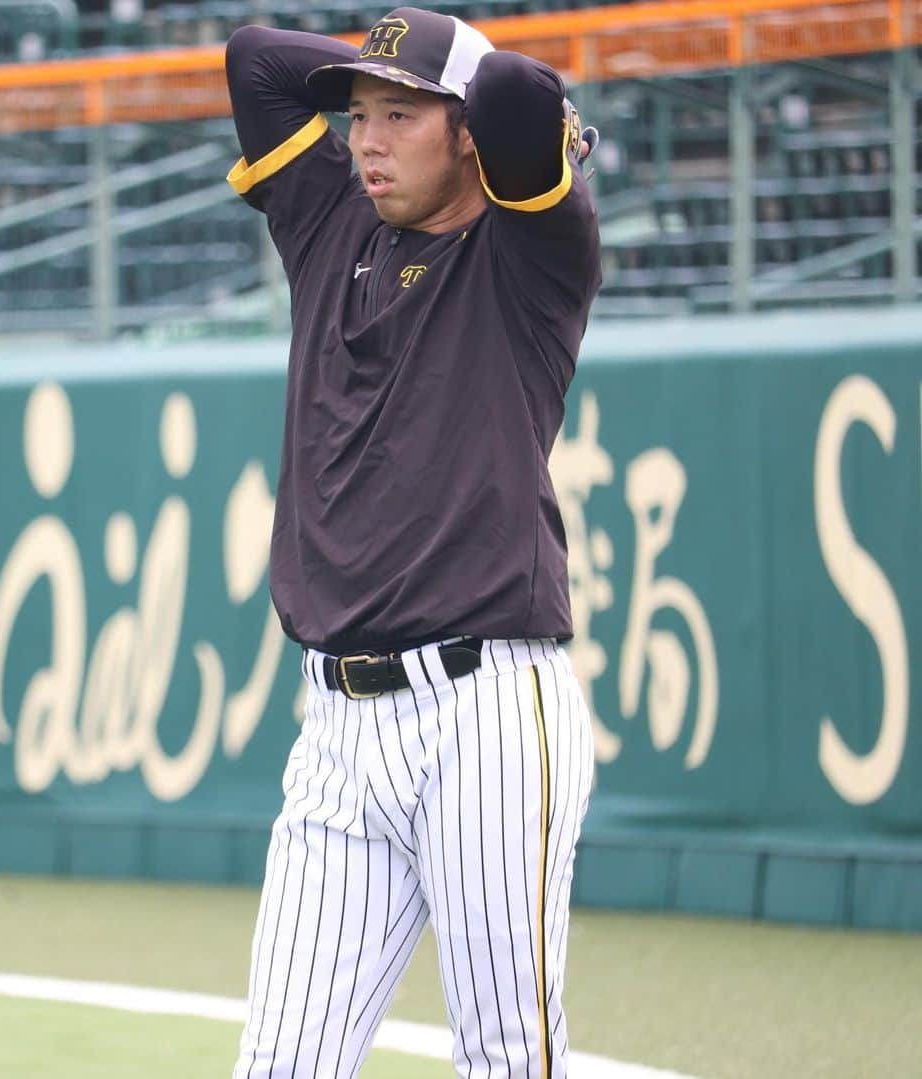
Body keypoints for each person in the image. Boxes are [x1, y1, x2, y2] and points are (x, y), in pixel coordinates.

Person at [224, 7, 601, 1076]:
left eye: (400, 116)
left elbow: (526, 97)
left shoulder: (533, 256)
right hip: (337, 727)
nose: (367, 141)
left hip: (483, 710)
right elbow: (255, 57)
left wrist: (487, 99)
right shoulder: (329, 224)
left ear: (468, 134)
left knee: (504, 1054)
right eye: (356, 116)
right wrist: (390, 66)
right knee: (280, 1063)